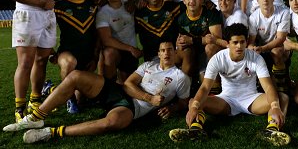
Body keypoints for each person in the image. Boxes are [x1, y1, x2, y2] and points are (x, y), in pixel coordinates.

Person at [3, 41, 191, 144]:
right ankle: (36, 117)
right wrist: (149, 97)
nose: (166, 53)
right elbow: (127, 84)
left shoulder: (180, 77)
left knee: (114, 122)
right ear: (158, 53)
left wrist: (171, 108)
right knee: (75, 75)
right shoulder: (149, 65)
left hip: (133, 106)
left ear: (175, 53)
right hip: (119, 92)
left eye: (169, 50)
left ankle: (51, 132)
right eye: (162, 50)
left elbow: (183, 102)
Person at [169, 23, 291, 147]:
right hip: (226, 100)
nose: (239, 46)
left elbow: (268, 87)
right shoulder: (218, 59)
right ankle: (196, 129)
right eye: (235, 42)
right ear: (227, 43)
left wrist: (275, 106)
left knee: (282, 99)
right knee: (193, 102)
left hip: (251, 99)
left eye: (242, 42)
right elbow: (205, 87)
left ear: (246, 41)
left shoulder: (256, 58)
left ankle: (272, 129)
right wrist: (195, 106)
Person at [7, 0, 66, 123]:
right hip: (27, 15)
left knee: (41, 61)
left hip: (48, 17)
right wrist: (41, 3)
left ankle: (35, 100)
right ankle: (19, 108)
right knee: (25, 63)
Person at [45, 0, 100, 114]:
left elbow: (97, 34)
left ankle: (50, 88)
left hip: (87, 56)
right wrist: (51, 51)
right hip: (67, 53)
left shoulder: (93, 6)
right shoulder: (59, 6)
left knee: (84, 98)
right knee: (69, 63)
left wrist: (95, 57)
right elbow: (44, 28)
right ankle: (70, 100)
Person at [176, 0, 223, 93]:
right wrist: (180, 43)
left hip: (208, 53)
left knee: (210, 47)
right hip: (194, 54)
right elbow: (181, 42)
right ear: (184, 1)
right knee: (182, 50)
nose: (191, 1)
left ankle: (218, 82)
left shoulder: (211, 13)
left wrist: (192, 41)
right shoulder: (181, 19)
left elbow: (216, 39)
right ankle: (183, 90)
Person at [96, 0, 143, 83]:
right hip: (117, 50)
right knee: (109, 53)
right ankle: (109, 87)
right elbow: (106, 40)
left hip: (131, 52)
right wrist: (130, 48)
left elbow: (141, 4)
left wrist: (137, 2)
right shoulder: (103, 12)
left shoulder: (129, 6)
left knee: (127, 85)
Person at [247, 0, 291, 93]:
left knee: (276, 51)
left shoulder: (283, 12)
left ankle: (282, 87)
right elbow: (251, 42)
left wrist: (262, 48)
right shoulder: (253, 17)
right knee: (249, 52)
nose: (265, 0)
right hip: (262, 48)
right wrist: (253, 48)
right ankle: (258, 82)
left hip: (279, 48)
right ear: (257, 0)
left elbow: (280, 39)